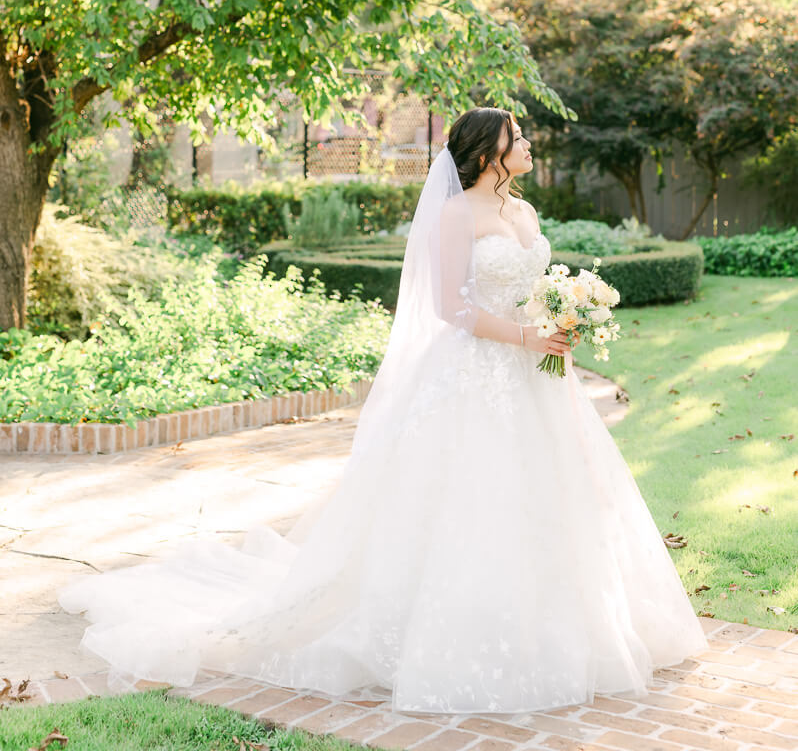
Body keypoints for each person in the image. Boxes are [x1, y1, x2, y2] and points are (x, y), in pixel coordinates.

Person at [59, 106, 708, 714]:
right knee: (470, 500)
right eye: (520, 137)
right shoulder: (455, 217)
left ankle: (558, 623)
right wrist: (528, 337)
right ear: (490, 154)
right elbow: (452, 310)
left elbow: (533, 289)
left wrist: (560, 321)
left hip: (536, 378)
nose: (531, 144)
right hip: (475, 378)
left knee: (548, 498)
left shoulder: (527, 211)